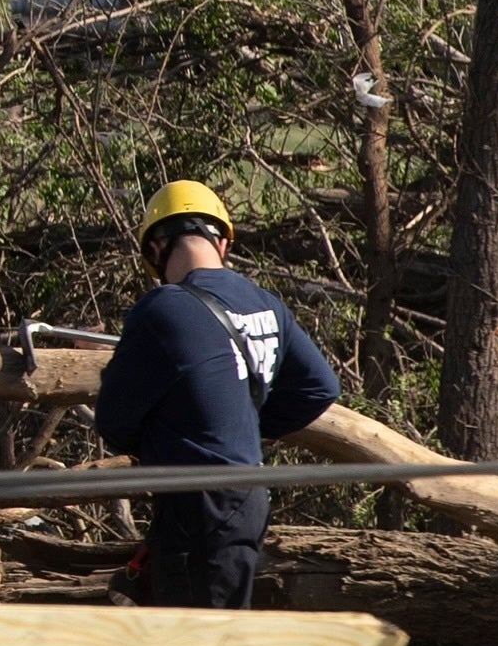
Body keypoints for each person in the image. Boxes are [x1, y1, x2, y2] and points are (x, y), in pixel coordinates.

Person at [94, 179, 346, 609]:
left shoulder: (163, 308)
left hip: (197, 506)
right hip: (247, 497)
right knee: (220, 637)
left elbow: (113, 423)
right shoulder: (266, 304)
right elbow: (319, 388)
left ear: (155, 249)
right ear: (223, 240)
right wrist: (239, 425)